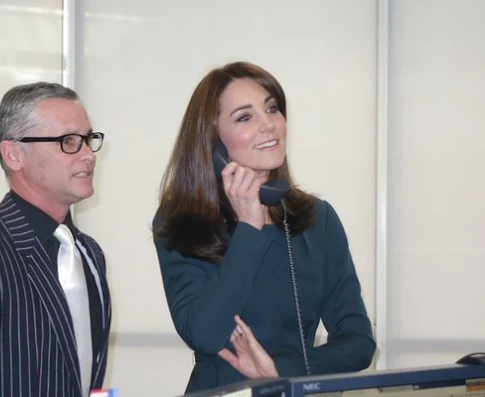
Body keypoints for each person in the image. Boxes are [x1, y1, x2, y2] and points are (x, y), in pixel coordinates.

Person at [152, 62, 375, 393]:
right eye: (245, 117)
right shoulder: (182, 220)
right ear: (214, 141)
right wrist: (249, 229)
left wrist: (282, 369)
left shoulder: (319, 218)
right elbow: (205, 334)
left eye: (272, 109)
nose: (268, 125)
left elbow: (358, 342)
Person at [0, 82, 111, 397]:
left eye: (88, 140)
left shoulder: (89, 253)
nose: (88, 155)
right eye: (69, 141)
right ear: (14, 154)